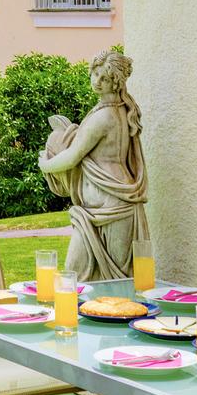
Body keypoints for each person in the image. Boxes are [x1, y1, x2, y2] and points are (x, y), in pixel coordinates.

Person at [38, 48, 149, 282]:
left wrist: (45, 164)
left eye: (105, 78)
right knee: (78, 274)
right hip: (102, 207)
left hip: (114, 206)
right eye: (96, 74)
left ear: (116, 82)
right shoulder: (118, 110)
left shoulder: (104, 117)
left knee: (111, 281)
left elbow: (72, 156)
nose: (97, 81)